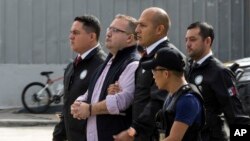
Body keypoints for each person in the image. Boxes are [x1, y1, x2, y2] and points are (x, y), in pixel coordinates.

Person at [113, 7, 185, 141]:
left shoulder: (167, 56)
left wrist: (134, 131)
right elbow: (142, 95)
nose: (137, 30)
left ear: (159, 29)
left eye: (143, 25)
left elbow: (159, 101)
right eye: (137, 25)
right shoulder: (149, 55)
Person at [70, 14, 140, 141]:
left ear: (129, 38)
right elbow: (89, 94)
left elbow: (121, 101)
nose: (108, 33)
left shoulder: (132, 64)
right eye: (109, 29)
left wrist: (90, 109)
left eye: (115, 30)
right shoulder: (106, 64)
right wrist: (78, 104)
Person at [185, 21, 250, 141]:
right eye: (186, 40)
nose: (188, 44)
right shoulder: (188, 69)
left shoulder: (219, 72)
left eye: (193, 39)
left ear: (207, 41)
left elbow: (235, 114)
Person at [52, 15, 107, 141]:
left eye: (76, 33)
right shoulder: (72, 67)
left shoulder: (103, 66)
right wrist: (59, 135)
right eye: (71, 32)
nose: (71, 37)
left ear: (92, 36)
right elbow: (67, 106)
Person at [142, 47, 205, 141]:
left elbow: (174, 139)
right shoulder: (173, 94)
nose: (153, 75)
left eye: (154, 71)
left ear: (166, 74)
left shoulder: (188, 99)